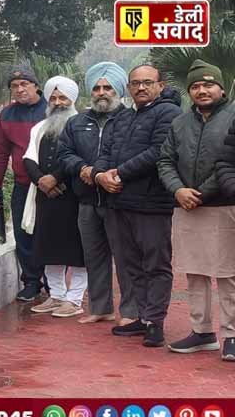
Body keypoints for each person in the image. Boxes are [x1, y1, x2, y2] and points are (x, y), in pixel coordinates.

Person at [92, 64, 182, 347]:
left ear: (160, 85)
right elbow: (104, 152)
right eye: (135, 83)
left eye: (147, 82)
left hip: (151, 204)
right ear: (128, 87)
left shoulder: (169, 113)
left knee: (156, 264)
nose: (141, 88)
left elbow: (158, 152)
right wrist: (100, 175)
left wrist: (118, 174)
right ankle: (142, 318)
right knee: (130, 265)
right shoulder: (123, 117)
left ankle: (155, 322)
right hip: (118, 202)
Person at [158, 60, 235, 360]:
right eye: (196, 86)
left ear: (221, 87)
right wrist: (178, 189)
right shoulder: (180, 122)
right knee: (195, 273)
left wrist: (202, 192)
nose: (202, 90)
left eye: (208, 84)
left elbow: (229, 163)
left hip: (224, 206)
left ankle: (231, 334)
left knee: (228, 275)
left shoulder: (232, 117)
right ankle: (202, 332)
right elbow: (164, 160)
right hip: (186, 207)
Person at [58, 62, 137, 325]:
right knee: (94, 257)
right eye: (97, 88)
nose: (102, 92)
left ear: (118, 90)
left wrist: (110, 175)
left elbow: (133, 154)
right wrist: (84, 169)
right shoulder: (76, 122)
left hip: (119, 200)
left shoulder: (130, 119)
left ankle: (129, 312)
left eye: (108, 88)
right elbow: (64, 154)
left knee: (126, 259)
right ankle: (100, 307)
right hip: (87, 200)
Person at [22, 76, 86, 318]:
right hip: (46, 197)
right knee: (48, 248)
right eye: (54, 98)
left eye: (63, 98)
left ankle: (75, 299)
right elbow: (28, 158)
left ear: (72, 100)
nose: (58, 102)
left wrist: (56, 178)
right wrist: (42, 181)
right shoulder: (39, 128)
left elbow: (82, 156)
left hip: (74, 197)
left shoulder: (81, 124)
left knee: (78, 251)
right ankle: (56, 295)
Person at [0, 65, 48, 302]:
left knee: (51, 234)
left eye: (25, 84)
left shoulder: (52, 109)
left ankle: (55, 286)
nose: (20, 89)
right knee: (24, 236)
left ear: (36, 85)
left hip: (51, 186)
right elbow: (0, 153)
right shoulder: (7, 115)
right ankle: (31, 282)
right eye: (14, 86)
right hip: (22, 186)